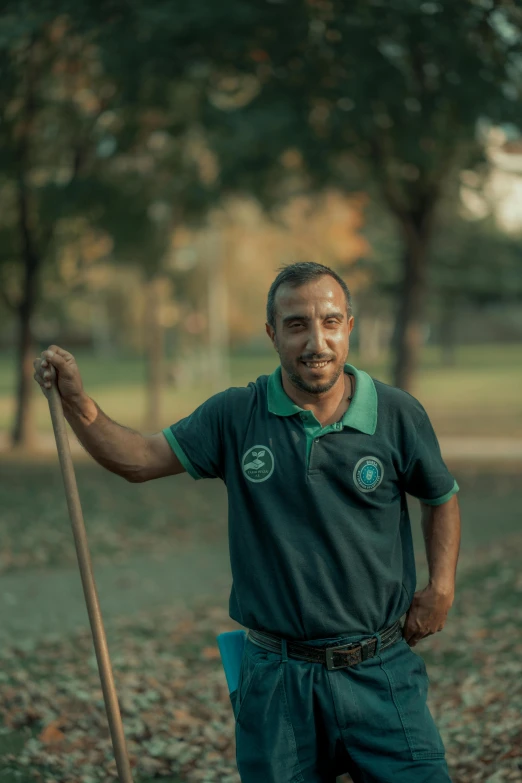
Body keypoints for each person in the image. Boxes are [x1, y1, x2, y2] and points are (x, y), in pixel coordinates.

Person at [34, 261, 461, 783]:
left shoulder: (397, 413)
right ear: (272, 334)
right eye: (297, 324)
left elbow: (440, 496)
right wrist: (78, 402)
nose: (316, 341)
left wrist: (441, 587)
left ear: (349, 325)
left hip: (380, 668)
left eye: (329, 321)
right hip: (277, 676)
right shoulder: (236, 415)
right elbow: (139, 459)